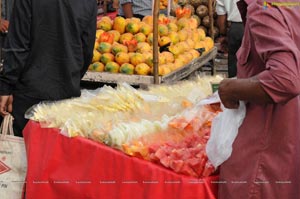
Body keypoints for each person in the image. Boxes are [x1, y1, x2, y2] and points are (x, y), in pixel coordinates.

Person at [218, 0, 300, 198]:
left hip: (264, 150)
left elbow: (285, 80)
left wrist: (229, 88)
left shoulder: (263, 8)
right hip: (287, 141)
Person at [0, 0, 97, 137]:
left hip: (29, 94)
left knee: (25, 153)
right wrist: (70, 76)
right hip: (66, 95)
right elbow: (86, 51)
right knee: (56, 154)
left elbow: (18, 45)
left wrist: (6, 85)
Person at [216, 0, 244, 78]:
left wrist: (223, 34)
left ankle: (234, 87)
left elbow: (221, 14)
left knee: (235, 64)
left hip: (237, 29)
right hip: (256, 26)